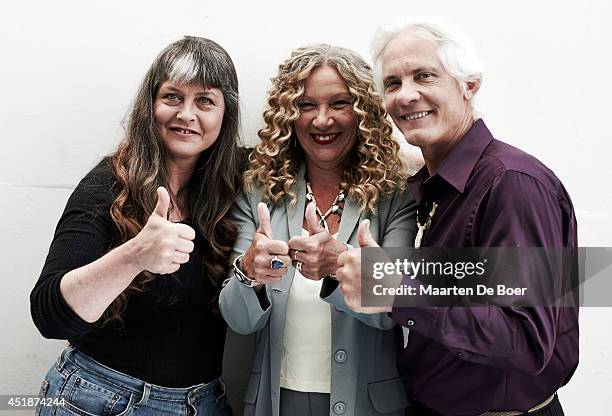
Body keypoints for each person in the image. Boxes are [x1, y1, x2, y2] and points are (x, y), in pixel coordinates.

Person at [336, 18, 579, 416]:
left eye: (424, 75)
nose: (406, 95)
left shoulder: (511, 184)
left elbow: (524, 340)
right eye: (393, 83)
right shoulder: (439, 185)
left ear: (470, 85)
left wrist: (395, 290)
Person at [30, 36, 244, 416]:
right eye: (173, 97)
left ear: (225, 115)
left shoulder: (233, 183)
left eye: (205, 101)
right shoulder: (109, 186)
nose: (187, 114)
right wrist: (134, 255)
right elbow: (48, 315)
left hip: (204, 402)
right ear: (151, 105)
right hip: (99, 400)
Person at [219, 44, 415, 416]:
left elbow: (396, 309)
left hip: (368, 405)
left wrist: (339, 267)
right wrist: (250, 274)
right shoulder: (259, 192)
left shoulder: (395, 197)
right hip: (275, 402)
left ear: (363, 114)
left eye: (339, 103)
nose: (321, 120)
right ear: (289, 115)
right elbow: (239, 321)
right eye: (306, 105)